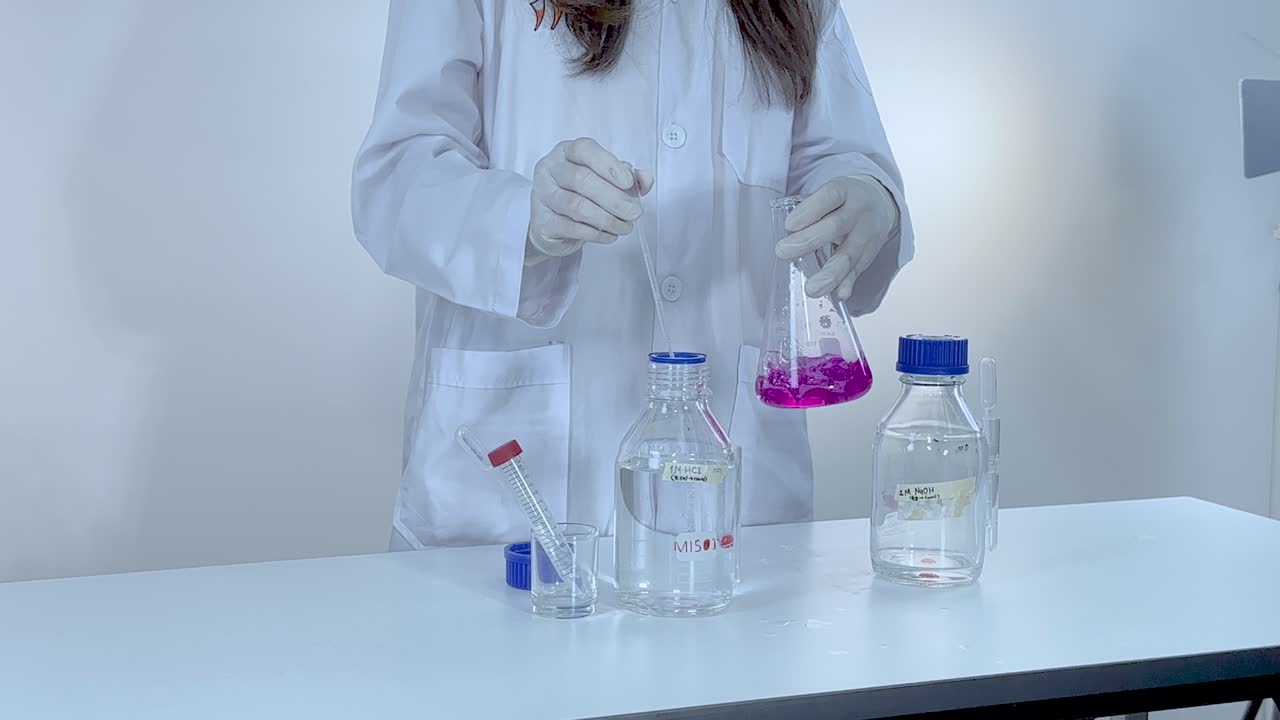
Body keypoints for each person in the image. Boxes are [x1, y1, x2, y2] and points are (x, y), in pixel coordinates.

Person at [352, 0, 914, 550]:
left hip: (736, 508)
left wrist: (866, 201)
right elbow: (398, 175)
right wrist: (522, 218)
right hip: (513, 494)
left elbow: (837, 157)